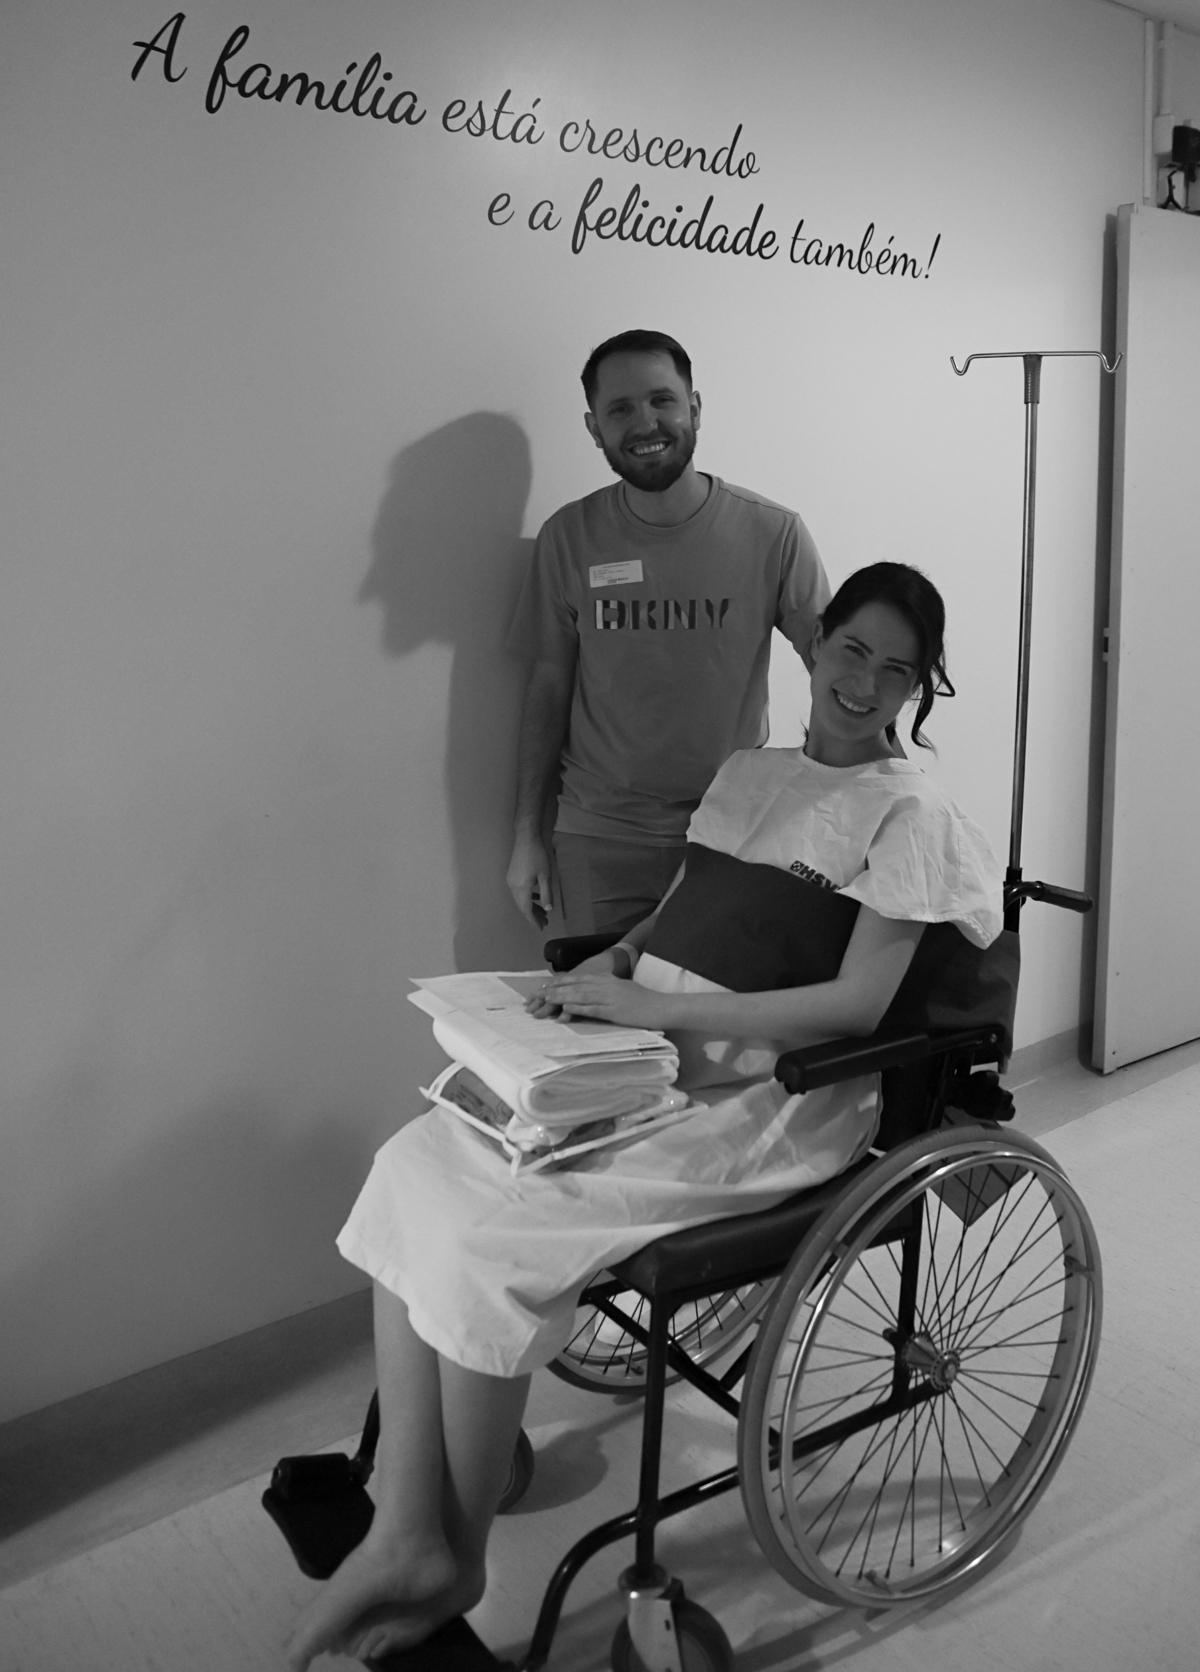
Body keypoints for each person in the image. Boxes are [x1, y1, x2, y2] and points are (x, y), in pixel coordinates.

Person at [286, 562, 1002, 1668]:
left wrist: (649, 1009)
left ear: (918, 688)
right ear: (816, 645)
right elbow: (676, 909)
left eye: (897, 669)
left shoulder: (912, 813)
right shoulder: (752, 771)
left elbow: (857, 1006)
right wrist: (612, 967)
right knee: (415, 1164)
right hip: (646, 1057)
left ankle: (449, 1554)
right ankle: (405, 1528)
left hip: (768, 1099)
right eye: (853, 650)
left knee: (490, 1236)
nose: (866, 682)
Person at [505, 328, 830, 936]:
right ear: (594, 427)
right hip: (599, 839)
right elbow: (547, 689)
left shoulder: (773, 534)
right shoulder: (568, 538)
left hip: (733, 837)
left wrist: (875, 798)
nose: (645, 423)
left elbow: (837, 669)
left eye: (662, 400)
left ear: (695, 408)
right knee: (598, 998)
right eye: (620, 409)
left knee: (717, 1000)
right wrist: (526, 837)